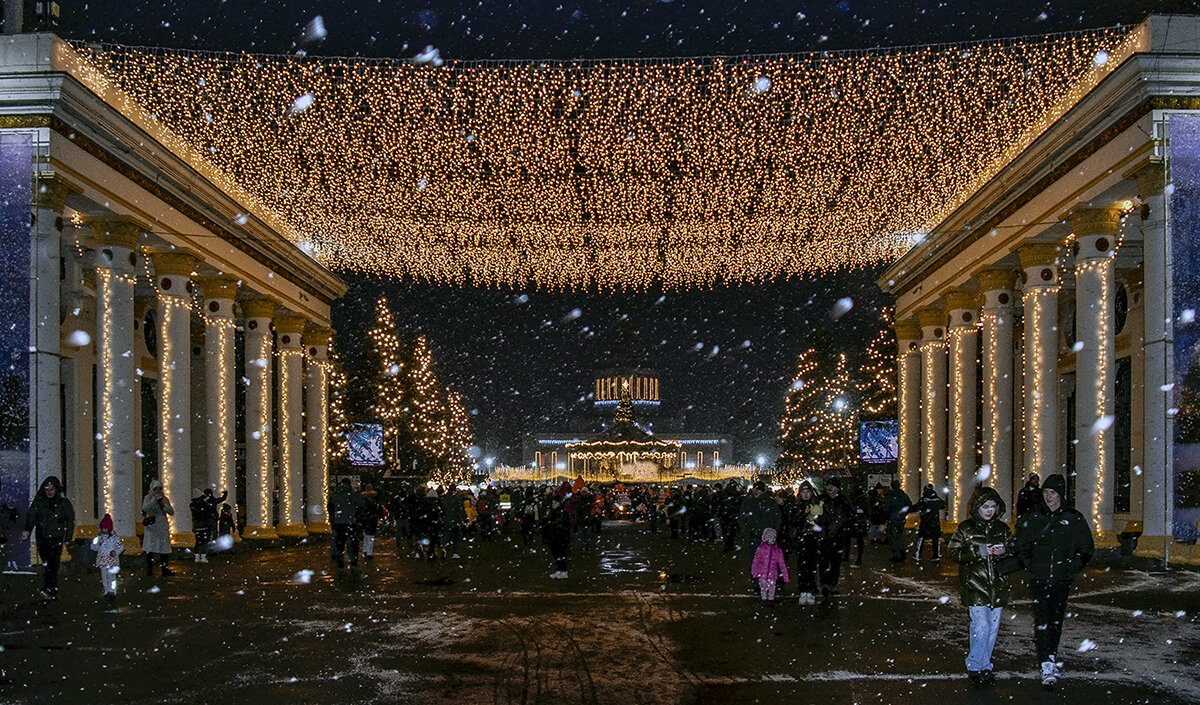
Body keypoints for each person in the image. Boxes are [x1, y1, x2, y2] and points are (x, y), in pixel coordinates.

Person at [1015, 473, 1094, 690]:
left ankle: (1050, 655)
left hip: (1061, 579)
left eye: (1053, 493)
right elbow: (1021, 544)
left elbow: (1086, 548)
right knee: (1043, 619)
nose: (1049, 497)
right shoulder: (1034, 517)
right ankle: (1046, 662)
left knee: (1056, 619)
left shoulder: (1073, 518)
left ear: (1061, 495)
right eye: (1046, 492)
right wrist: (1030, 565)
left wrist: (1071, 567)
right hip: (1039, 577)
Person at [947, 486, 1015, 687]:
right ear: (977, 507)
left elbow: (1014, 550)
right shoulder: (965, 529)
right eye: (985, 506)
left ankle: (985, 664)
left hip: (998, 586)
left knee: (992, 628)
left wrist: (1004, 550)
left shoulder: (1002, 530)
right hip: (975, 585)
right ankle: (975, 665)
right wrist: (978, 553)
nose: (989, 511)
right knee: (981, 626)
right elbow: (954, 553)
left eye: (993, 507)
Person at [21, 475, 75, 600]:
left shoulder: (63, 503)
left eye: (52, 489)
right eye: (47, 490)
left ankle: (50, 587)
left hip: (56, 537)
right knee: (47, 562)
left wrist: (67, 538)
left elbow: (70, 520)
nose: (49, 492)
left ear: (56, 490)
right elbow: (32, 515)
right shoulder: (40, 501)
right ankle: (49, 586)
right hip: (42, 536)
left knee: (53, 563)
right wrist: (27, 529)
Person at [816, 478, 854, 597]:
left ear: (837, 488)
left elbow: (850, 516)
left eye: (832, 486)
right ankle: (825, 584)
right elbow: (815, 515)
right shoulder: (821, 500)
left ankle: (832, 584)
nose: (829, 488)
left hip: (838, 536)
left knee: (835, 563)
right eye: (828, 485)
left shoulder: (844, 501)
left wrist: (844, 528)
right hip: (824, 536)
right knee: (823, 562)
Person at [738, 481, 782, 578]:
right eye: (755, 489)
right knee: (755, 560)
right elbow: (742, 519)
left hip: (767, 537)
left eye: (759, 490)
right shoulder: (748, 502)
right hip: (754, 535)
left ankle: (766, 581)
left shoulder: (770, 502)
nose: (756, 492)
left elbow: (777, 519)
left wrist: (774, 533)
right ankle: (757, 582)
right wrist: (747, 533)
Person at [789, 481, 822, 605]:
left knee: (812, 565)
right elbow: (793, 521)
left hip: (814, 539)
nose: (806, 494)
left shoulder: (817, 504)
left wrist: (816, 518)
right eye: (803, 492)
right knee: (802, 565)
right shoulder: (797, 505)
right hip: (801, 539)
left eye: (808, 492)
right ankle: (803, 590)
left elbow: (824, 519)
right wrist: (804, 514)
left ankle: (811, 589)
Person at [141, 480, 175, 577]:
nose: (158, 490)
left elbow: (171, 512)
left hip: (162, 525)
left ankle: (165, 569)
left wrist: (163, 505)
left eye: (160, 488)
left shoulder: (165, 499)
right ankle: (150, 570)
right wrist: (154, 501)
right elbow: (144, 509)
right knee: (150, 548)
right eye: (156, 489)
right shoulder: (148, 498)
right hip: (152, 526)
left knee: (163, 549)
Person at [329, 478, 364, 570]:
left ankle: (340, 565)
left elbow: (332, 505)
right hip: (351, 522)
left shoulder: (336, 495)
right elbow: (361, 504)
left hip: (339, 523)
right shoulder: (352, 495)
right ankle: (353, 564)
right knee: (353, 544)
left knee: (340, 545)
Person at [750, 527, 789, 609]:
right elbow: (756, 561)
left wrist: (785, 576)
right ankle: (765, 599)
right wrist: (754, 571)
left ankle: (770, 600)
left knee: (771, 587)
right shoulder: (761, 549)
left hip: (772, 574)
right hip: (763, 574)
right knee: (763, 588)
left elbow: (782, 564)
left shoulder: (777, 550)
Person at [91, 513, 124, 603]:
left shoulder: (114, 538)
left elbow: (121, 547)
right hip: (102, 561)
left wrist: (115, 552)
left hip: (112, 562)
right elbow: (93, 547)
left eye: (106, 528)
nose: (104, 530)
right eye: (103, 528)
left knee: (112, 577)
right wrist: (98, 544)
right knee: (104, 577)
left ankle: (112, 592)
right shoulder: (99, 538)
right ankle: (106, 591)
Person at [189, 488, 226, 563]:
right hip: (205, 524)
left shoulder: (193, 504)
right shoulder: (206, 503)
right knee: (205, 541)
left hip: (198, 525)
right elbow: (218, 501)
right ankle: (203, 556)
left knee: (198, 541)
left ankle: (197, 556)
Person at [542, 494, 573, 580]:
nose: (553, 504)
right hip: (554, 536)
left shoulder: (562, 513)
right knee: (556, 553)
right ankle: (559, 569)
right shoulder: (553, 512)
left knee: (561, 553)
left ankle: (563, 570)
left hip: (560, 536)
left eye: (555, 503)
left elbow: (567, 525)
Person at [914, 484, 947, 562]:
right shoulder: (937, 499)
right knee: (935, 539)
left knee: (921, 538)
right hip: (935, 522)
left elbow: (916, 507)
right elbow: (943, 505)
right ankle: (936, 555)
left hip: (925, 522)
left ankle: (918, 555)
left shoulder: (924, 500)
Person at [883, 480, 913, 562]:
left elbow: (886, 508)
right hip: (901, 519)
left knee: (892, 537)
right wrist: (903, 513)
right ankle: (902, 551)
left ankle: (896, 554)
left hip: (892, 519)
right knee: (899, 536)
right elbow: (910, 506)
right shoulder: (903, 496)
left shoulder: (890, 496)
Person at [358, 482, 383, 560]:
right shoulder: (375, 498)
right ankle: (369, 552)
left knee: (365, 534)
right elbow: (379, 508)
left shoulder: (362, 497)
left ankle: (365, 550)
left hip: (365, 518)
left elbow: (360, 508)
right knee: (371, 535)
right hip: (372, 518)